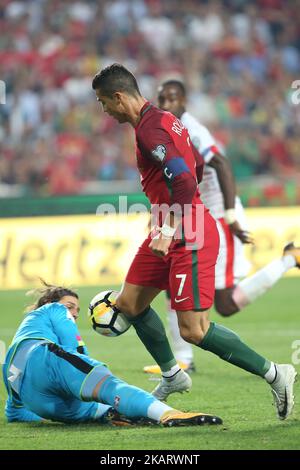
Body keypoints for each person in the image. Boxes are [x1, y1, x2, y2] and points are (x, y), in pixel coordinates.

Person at [92, 64, 296, 421]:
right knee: (129, 303)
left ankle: (277, 373)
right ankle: (173, 376)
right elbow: (198, 165)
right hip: (169, 225)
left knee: (194, 331)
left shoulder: (150, 129)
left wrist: (170, 226)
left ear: (119, 97)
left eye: (103, 102)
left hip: (190, 233)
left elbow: (186, 180)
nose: (104, 110)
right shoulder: (166, 120)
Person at [143, 79, 300, 374]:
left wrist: (229, 215)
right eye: (162, 99)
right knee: (171, 280)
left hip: (216, 219)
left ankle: (290, 258)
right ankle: (183, 360)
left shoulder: (192, 129)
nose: (166, 105)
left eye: (172, 99)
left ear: (185, 101)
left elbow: (222, 164)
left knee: (225, 304)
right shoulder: (167, 130)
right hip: (195, 215)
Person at [2, 281, 222, 427]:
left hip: (36, 398)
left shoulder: (11, 357)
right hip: (43, 359)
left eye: (77, 310)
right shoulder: (53, 310)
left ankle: (113, 413)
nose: (74, 314)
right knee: (106, 386)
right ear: (50, 303)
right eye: (70, 307)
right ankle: (168, 414)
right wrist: (93, 370)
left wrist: (44, 414)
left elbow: (14, 413)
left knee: (86, 409)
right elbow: (74, 350)